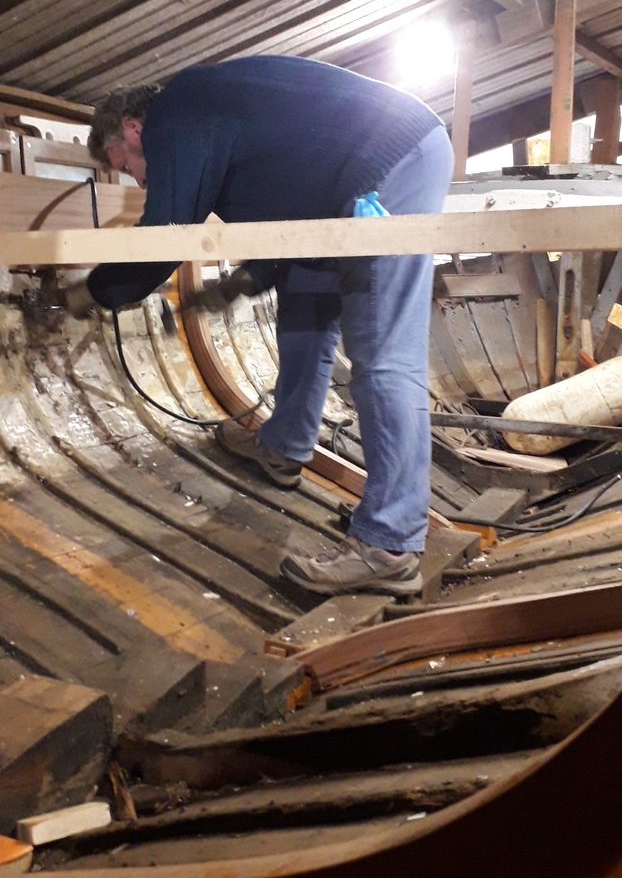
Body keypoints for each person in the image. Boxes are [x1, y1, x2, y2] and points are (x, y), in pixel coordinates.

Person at [73, 55, 453, 596]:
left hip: (389, 166)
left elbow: (167, 230)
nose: (137, 177)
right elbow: (284, 216)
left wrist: (94, 291)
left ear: (134, 129)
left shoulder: (176, 114)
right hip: (348, 184)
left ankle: (389, 543)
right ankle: (284, 446)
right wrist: (245, 280)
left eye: (126, 163)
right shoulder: (207, 109)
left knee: (382, 348)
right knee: (305, 301)